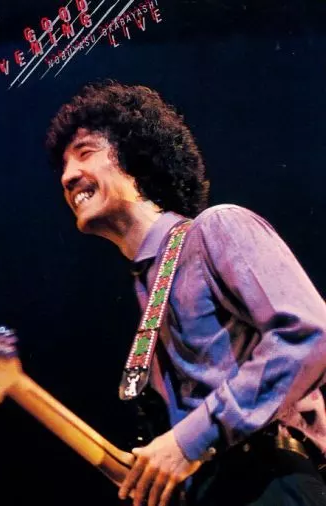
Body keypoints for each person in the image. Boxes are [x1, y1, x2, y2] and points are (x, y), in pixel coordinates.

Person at [45, 81, 326, 506]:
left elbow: (310, 334)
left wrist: (189, 440)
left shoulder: (216, 228)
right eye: (64, 165)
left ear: (134, 159)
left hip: (269, 481)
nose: (67, 177)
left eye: (84, 152)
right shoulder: (148, 288)